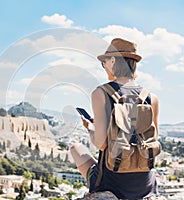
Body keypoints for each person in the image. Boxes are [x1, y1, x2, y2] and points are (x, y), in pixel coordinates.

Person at [70, 38, 160, 199]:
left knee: (75, 148)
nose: (104, 67)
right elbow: (153, 139)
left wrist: (91, 129)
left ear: (112, 61)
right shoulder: (151, 97)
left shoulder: (101, 93)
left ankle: (93, 190)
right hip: (146, 185)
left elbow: (102, 144)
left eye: (104, 62)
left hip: (113, 184)